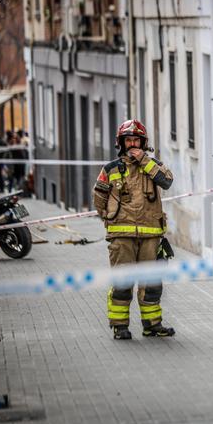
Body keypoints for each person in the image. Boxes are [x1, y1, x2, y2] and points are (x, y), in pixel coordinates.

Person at [93, 119, 176, 340]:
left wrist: (145, 162)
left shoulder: (153, 164)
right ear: (121, 143)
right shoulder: (110, 169)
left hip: (150, 235)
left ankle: (152, 325)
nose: (132, 144)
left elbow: (166, 181)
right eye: (128, 140)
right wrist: (110, 220)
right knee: (122, 283)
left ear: (143, 142)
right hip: (121, 237)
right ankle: (120, 327)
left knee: (151, 285)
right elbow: (99, 198)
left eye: (136, 140)